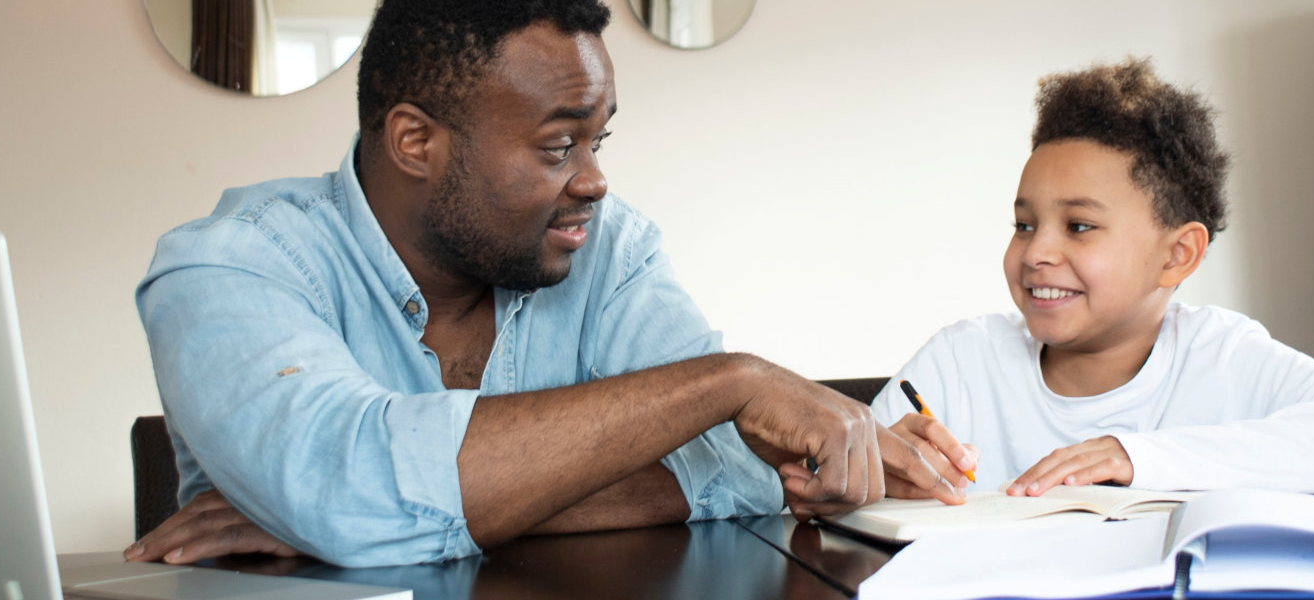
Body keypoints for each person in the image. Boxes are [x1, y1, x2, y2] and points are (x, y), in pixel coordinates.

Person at [122, 0, 969, 568]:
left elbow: (744, 472)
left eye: (600, 141)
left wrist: (343, 525)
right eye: (560, 147)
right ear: (416, 141)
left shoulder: (607, 245)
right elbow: (348, 493)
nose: (596, 181)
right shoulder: (228, 268)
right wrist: (731, 382)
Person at [875, 58, 1314, 500]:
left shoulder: (1224, 358)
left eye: (1079, 226)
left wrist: (1137, 457)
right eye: (1024, 224)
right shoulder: (960, 363)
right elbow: (830, 478)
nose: (1037, 252)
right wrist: (874, 473)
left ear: (1178, 255)